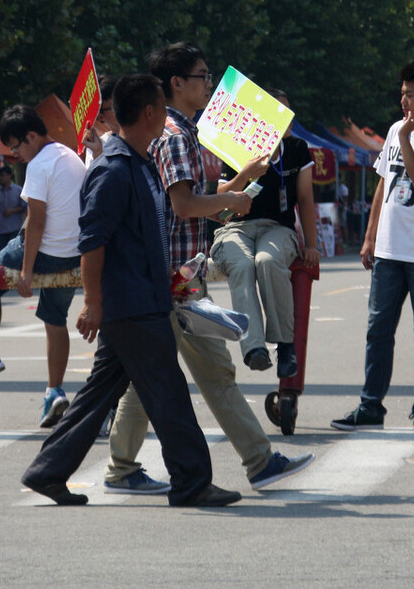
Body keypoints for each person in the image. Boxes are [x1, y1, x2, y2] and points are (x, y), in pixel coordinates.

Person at [21, 74, 240, 507]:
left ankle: (46, 472)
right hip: (131, 305)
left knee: (100, 393)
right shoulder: (115, 170)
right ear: (149, 113)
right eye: (162, 107)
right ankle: (192, 481)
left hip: (142, 299)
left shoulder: (139, 163)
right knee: (169, 393)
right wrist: (94, 302)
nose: (166, 115)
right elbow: (93, 241)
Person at [105, 41, 313, 495]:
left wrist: (238, 182)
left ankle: (124, 468)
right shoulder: (177, 137)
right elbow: (183, 207)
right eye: (201, 76)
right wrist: (232, 197)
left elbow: (203, 207)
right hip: (175, 281)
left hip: (180, 278)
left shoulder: (188, 135)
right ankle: (258, 462)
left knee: (160, 378)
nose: (209, 85)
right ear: (176, 83)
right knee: (190, 377)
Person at [331, 61, 414, 433]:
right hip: (390, 248)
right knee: (378, 329)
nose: (402, 100)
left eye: (410, 94)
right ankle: (370, 406)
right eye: (402, 93)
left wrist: (406, 139)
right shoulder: (394, 130)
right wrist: (371, 235)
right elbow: (383, 183)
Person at [0, 105, 86, 429]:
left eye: (16, 147)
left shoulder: (39, 165)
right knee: (55, 318)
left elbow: (37, 222)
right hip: (75, 253)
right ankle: (54, 391)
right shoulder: (70, 155)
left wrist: (26, 271)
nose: (16, 155)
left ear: (31, 136)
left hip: (47, 250)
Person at [212, 88, 319, 376]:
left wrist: (312, 244)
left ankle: (285, 344)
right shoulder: (239, 147)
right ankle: (254, 348)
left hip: (277, 227)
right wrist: (245, 173)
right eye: (279, 114)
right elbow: (219, 195)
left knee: (267, 262)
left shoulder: (297, 149)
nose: (287, 122)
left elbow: (306, 199)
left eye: (288, 115)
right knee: (242, 264)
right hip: (236, 227)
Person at [0, 166, 24, 257]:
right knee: (1, 253)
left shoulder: (18, 191)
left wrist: (12, 211)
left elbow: (25, 207)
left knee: (14, 252)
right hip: (0, 229)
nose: (0, 178)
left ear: (9, 176)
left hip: (14, 228)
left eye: (3, 176)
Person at [81, 75, 118, 168]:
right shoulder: (96, 147)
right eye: (116, 106)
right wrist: (98, 154)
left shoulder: (148, 135)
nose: (125, 108)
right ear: (101, 117)